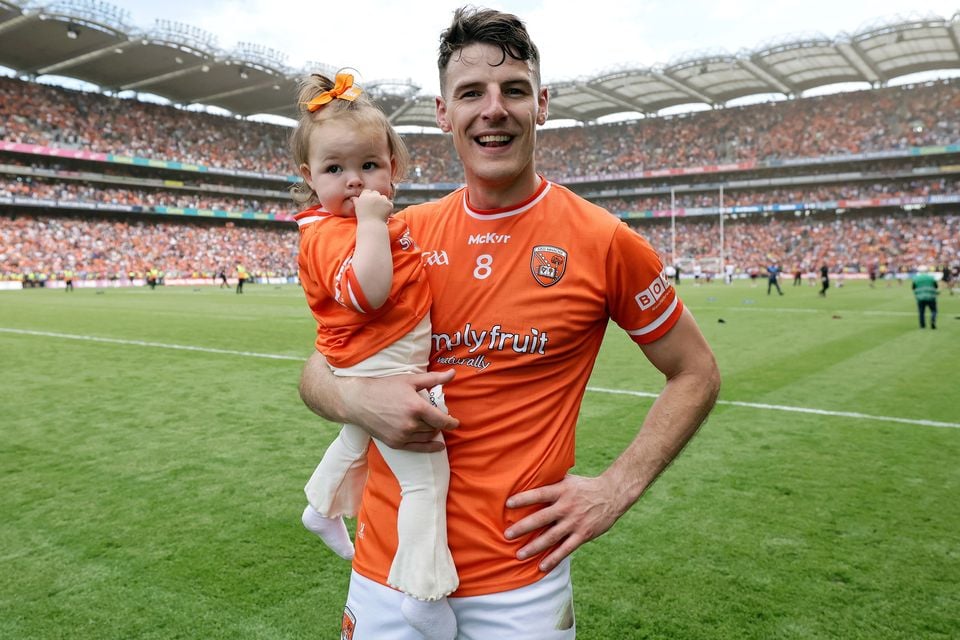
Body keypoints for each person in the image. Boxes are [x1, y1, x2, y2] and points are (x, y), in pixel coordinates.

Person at [297, 7, 720, 638]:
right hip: (386, 571)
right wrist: (356, 398)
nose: (493, 108)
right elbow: (317, 368)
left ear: (540, 104)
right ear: (444, 114)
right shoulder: (395, 236)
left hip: (522, 580)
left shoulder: (604, 242)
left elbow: (696, 371)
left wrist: (614, 488)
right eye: (471, 93)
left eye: (513, 90)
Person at [289, 72, 457, 639]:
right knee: (427, 482)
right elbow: (369, 292)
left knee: (354, 437)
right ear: (309, 179)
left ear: (394, 168)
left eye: (368, 166)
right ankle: (424, 594)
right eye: (335, 170)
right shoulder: (335, 232)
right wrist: (369, 225)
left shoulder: (360, 221)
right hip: (381, 363)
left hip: (374, 357)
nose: (355, 183)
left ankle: (320, 507)